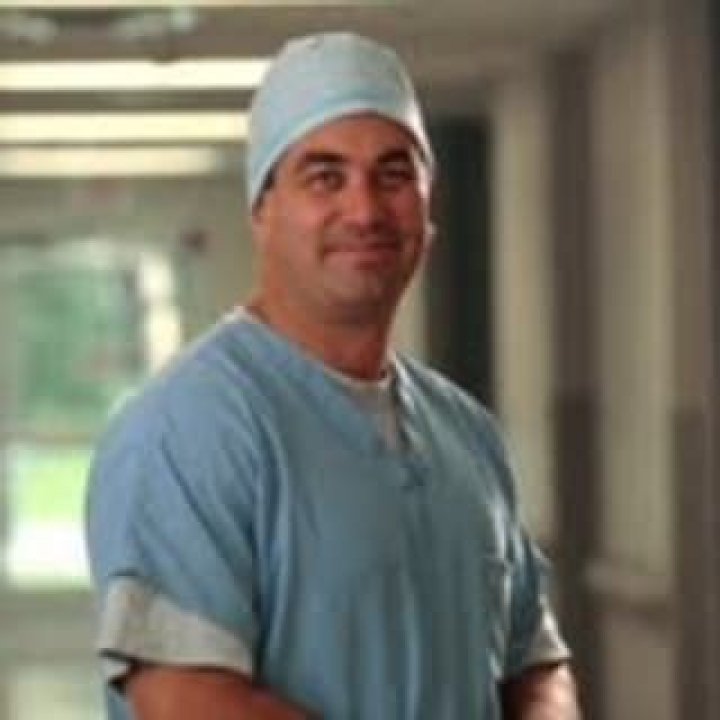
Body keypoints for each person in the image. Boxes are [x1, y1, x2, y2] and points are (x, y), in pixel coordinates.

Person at [85, 31, 580, 720]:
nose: (366, 211)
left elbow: (535, 662)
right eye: (325, 177)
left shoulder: (467, 435)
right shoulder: (186, 428)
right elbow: (185, 698)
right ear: (263, 209)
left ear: (427, 207)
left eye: (393, 175)